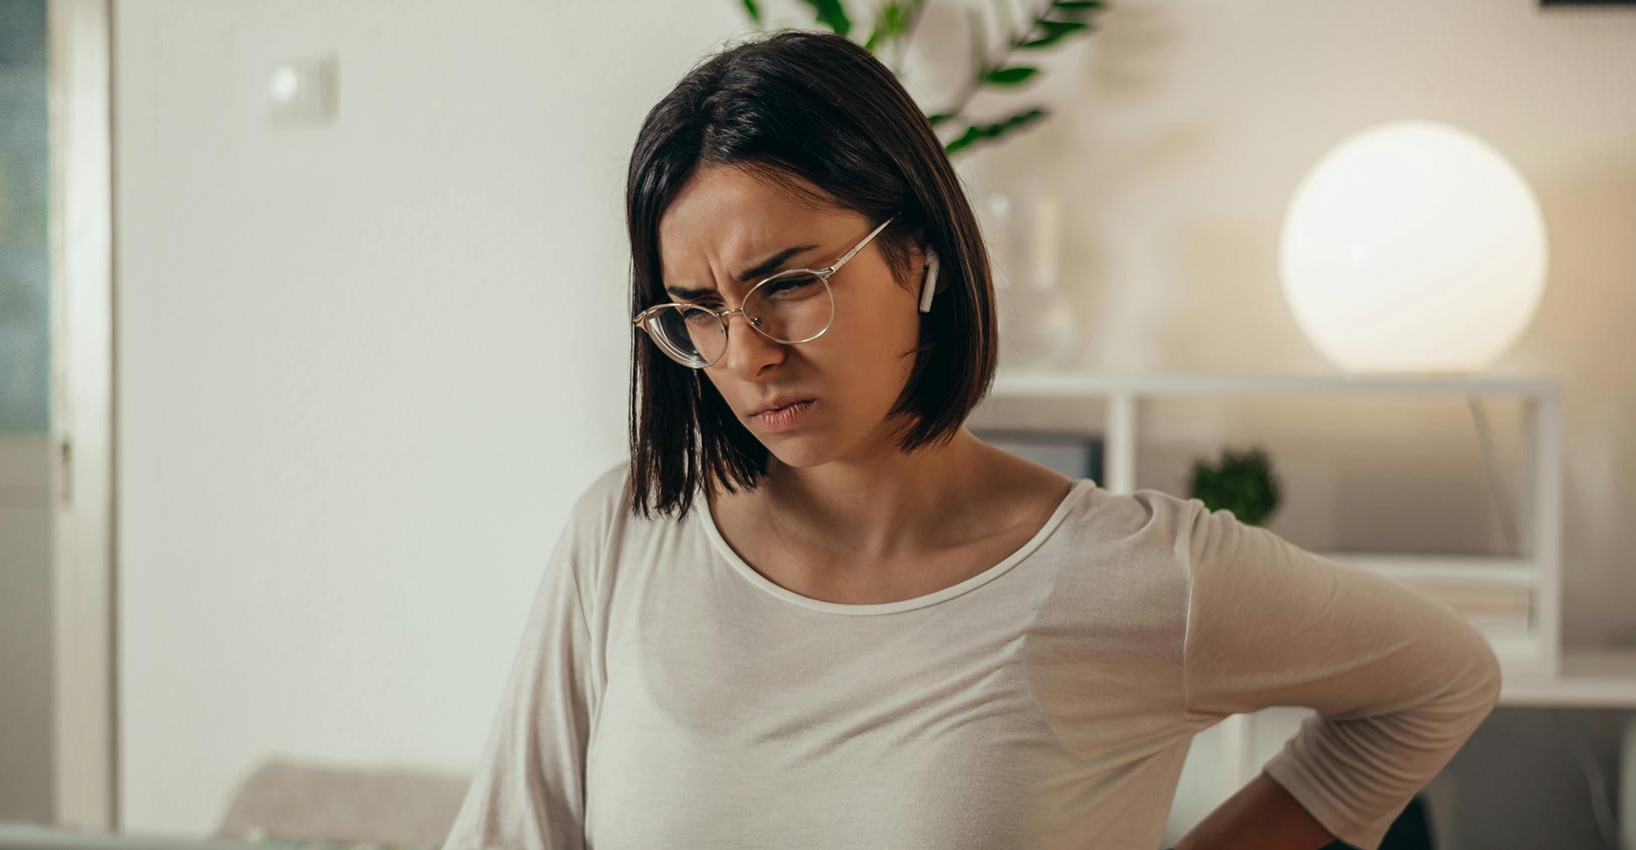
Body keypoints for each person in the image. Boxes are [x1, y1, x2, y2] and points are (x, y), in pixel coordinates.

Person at [439, 29, 1502, 850]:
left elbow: (1443, 677)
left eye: (790, 284)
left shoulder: (1134, 575)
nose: (747, 353)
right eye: (698, 311)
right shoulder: (625, 537)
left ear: (918, 257)